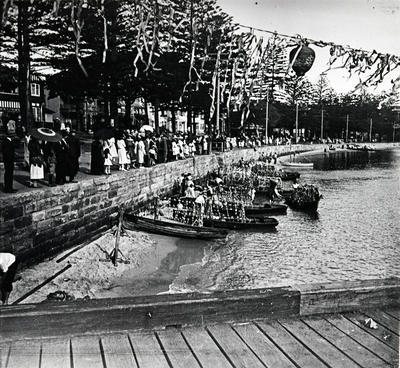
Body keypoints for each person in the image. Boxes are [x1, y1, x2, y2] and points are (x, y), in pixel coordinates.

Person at [1, 121, 19, 193]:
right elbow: (6, 152)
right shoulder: (6, 142)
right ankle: (7, 188)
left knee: (10, 174)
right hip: (8, 160)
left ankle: (9, 187)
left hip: (10, 160)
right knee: (8, 173)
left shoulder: (10, 141)